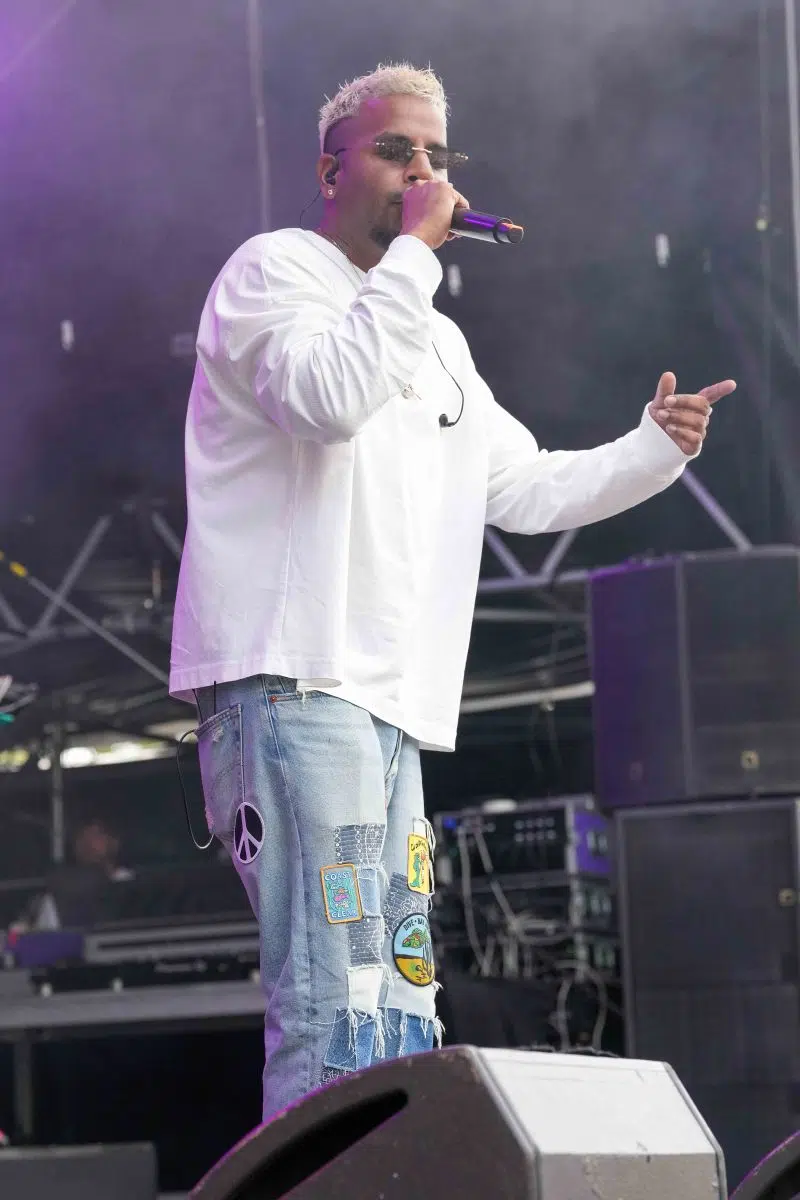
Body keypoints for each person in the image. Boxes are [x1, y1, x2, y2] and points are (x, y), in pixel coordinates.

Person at [169, 62, 736, 1120]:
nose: (423, 174)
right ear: (330, 171)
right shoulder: (273, 272)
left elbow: (520, 488)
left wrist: (651, 450)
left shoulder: (432, 340)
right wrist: (417, 261)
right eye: (398, 152)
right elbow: (325, 398)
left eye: (437, 156)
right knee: (334, 996)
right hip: (295, 683)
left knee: (399, 1001)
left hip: (393, 705)